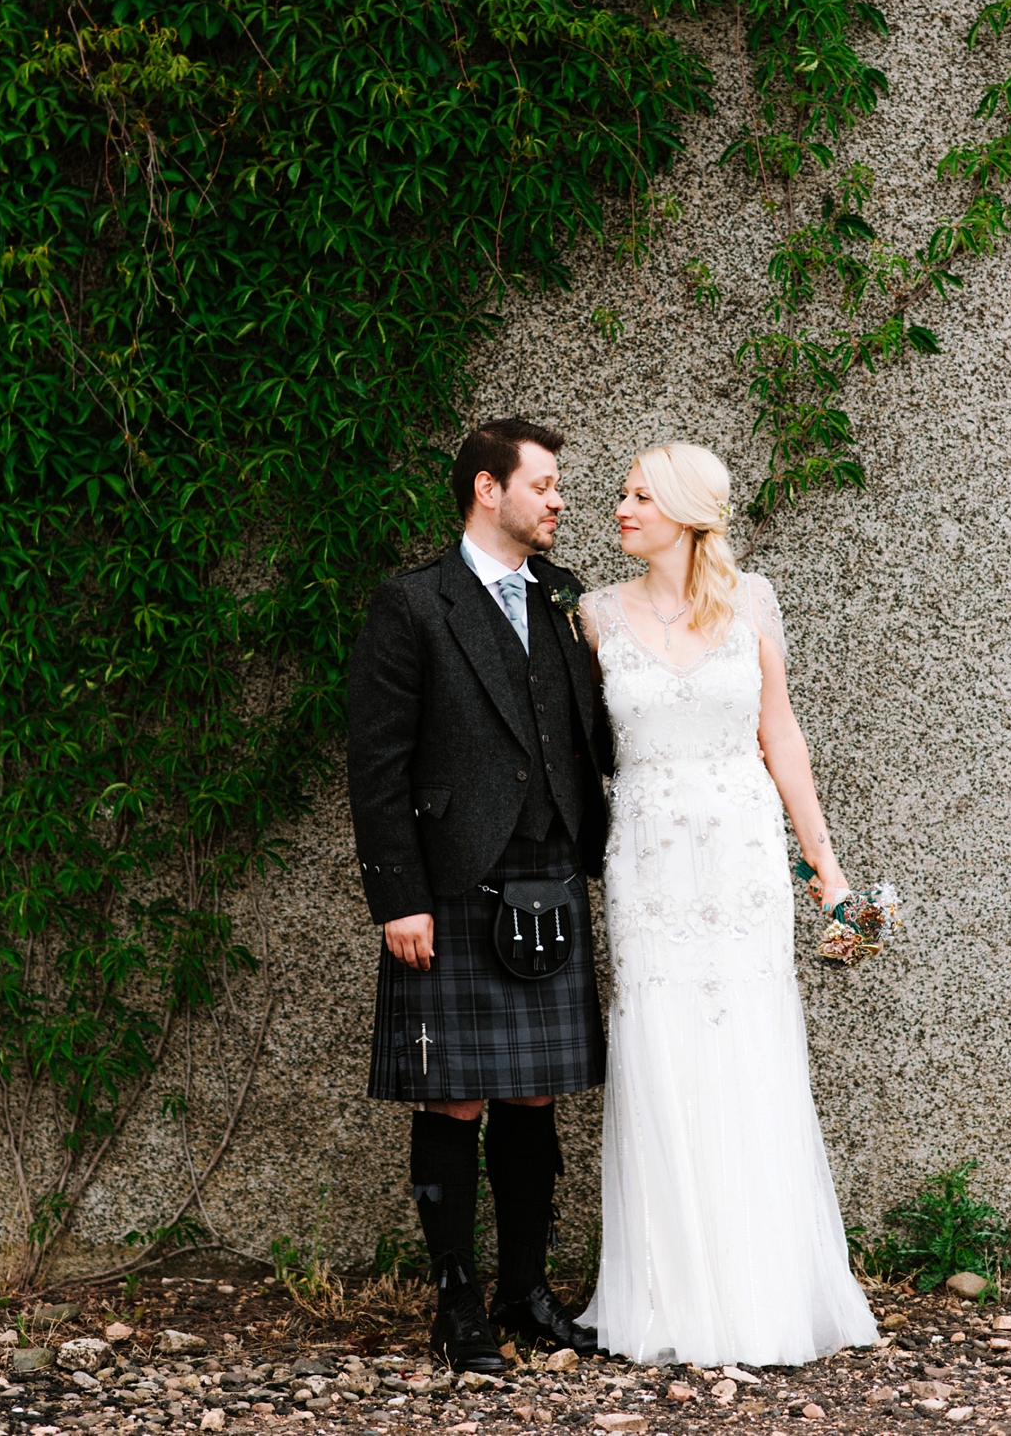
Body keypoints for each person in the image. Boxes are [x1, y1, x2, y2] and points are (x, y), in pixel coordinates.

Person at [579, 442, 878, 1366]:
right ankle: (668, 1298)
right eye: (622, 494)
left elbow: (780, 735)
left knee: (748, 1040)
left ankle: (765, 1290)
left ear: (685, 510)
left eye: (638, 495)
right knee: (661, 1045)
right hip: (649, 859)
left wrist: (825, 867)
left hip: (742, 856)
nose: (620, 508)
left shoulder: (751, 601)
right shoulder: (592, 615)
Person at [347, 419, 610, 1373]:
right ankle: (457, 1304)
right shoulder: (414, 604)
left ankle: (525, 1292)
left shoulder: (565, 598)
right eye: (544, 484)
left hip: (548, 871)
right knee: (455, 1098)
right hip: (453, 887)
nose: (559, 500)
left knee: (533, 1094)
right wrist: (397, 896)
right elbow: (376, 764)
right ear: (486, 489)